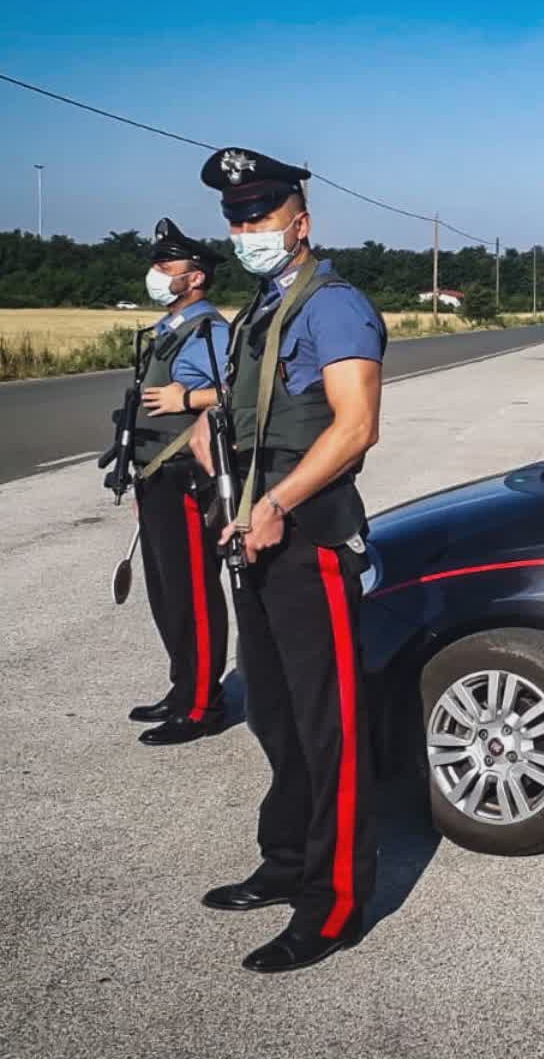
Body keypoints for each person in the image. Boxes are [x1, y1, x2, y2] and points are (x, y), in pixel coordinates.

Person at [187, 148, 386, 974]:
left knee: (327, 725)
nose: (246, 230)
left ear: (301, 223)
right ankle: (287, 862)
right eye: (236, 218)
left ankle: (334, 903)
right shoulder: (262, 308)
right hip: (252, 535)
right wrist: (212, 432)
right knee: (273, 711)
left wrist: (276, 503)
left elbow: (355, 424)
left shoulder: (333, 307)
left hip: (306, 539)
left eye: (261, 215)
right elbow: (252, 410)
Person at [125, 218, 231, 747]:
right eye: (157, 265)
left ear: (196, 279)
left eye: (167, 267)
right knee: (166, 594)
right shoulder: (169, 331)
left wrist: (187, 400)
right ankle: (181, 685)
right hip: (154, 476)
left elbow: (237, 391)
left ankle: (201, 704)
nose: (157, 274)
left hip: (186, 478)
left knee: (193, 593)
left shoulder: (210, 331)